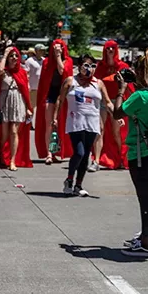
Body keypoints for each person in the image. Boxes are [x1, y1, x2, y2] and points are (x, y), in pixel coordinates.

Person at [115, 49, 148, 258]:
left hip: (140, 153)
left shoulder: (139, 96)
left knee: (145, 198)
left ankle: (147, 242)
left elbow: (117, 113)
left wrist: (121, 90)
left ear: (143, 71)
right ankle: (145, 235)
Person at [54, 55, 115, 197]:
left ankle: (78, 185)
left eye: (93, 66)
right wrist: (55, 117)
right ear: (80, 66)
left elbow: (107, 102)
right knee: (79, 152)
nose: (89, 69)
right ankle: (69, 180)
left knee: (86, 154)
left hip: (92, 122)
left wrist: (116, 116)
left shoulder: (98, 83)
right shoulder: (71, 81)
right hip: (75, 121)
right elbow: (60, 99)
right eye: (86, 65)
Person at [0, 46, 33, 171]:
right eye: (12, 56)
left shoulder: (22, 72)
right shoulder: (4, 71)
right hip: (5, 103)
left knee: (14, 132)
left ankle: (12, 160)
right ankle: (2, 156)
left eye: (16, 56)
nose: (14, 58)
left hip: (19, 102)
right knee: (4, 134)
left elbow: (26, 91)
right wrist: (6, 53)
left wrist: (28, 107)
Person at [92, 40, 131, 170]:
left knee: (116, 132)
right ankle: (96, 161)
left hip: (116, 102)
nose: (110, 51)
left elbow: (128, 85)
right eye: (108, 48)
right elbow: (95, 83)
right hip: (102, 101)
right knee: (99, 130)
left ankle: (121, 158)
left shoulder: (123, 66)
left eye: (112, 48)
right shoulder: (100, 66)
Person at [34, 39, 74, 165]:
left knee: (59, 125)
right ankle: (49, 153)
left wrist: (58, 57)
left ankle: (56, 151)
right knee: (49, 124)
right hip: (49, 95)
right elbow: (44, 83)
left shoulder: (68, 61)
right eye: (55, 48)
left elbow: (63, 71)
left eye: (60, 47)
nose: (58, 49)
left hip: (62, 96)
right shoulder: (46, 62)